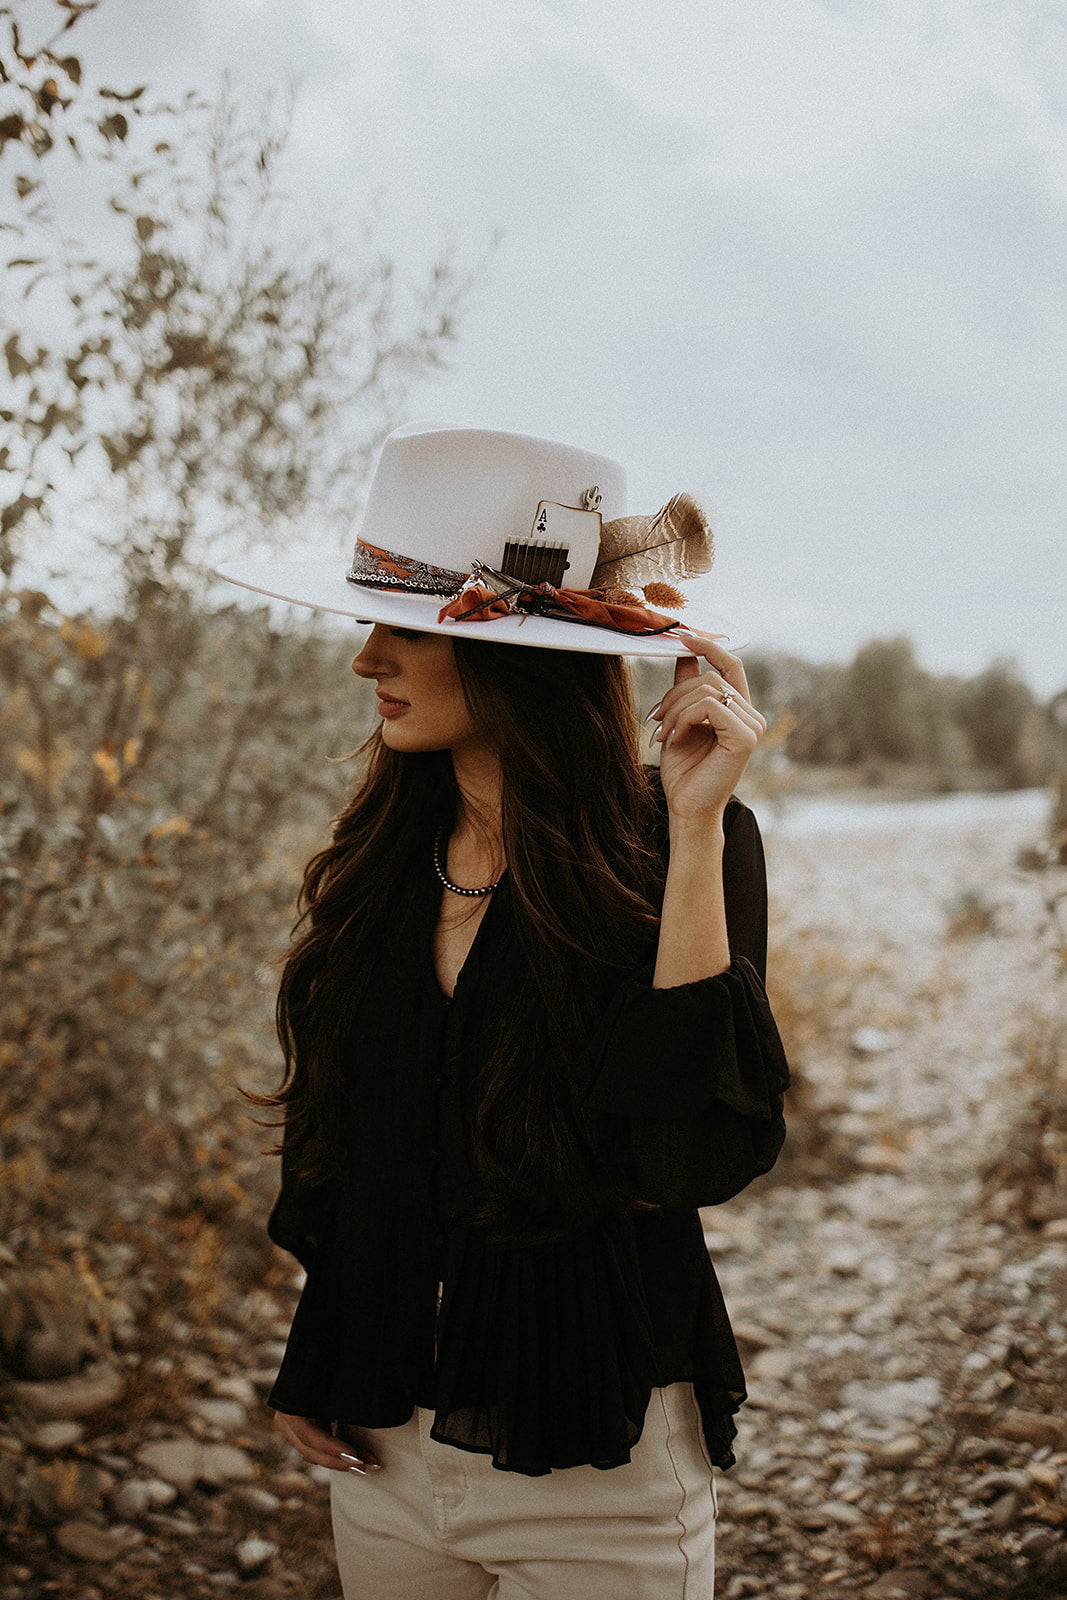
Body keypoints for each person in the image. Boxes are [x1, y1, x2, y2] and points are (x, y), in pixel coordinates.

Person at [218, 424, 789, 1600]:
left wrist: (688, 832)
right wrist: (319, 1354)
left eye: (408, 627)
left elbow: (684, 1151)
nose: (366, 657)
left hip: (599, 1457)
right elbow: (343, 1148)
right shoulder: (382, 858)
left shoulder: (682, 839)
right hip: (379, 1453)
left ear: (514, 652)